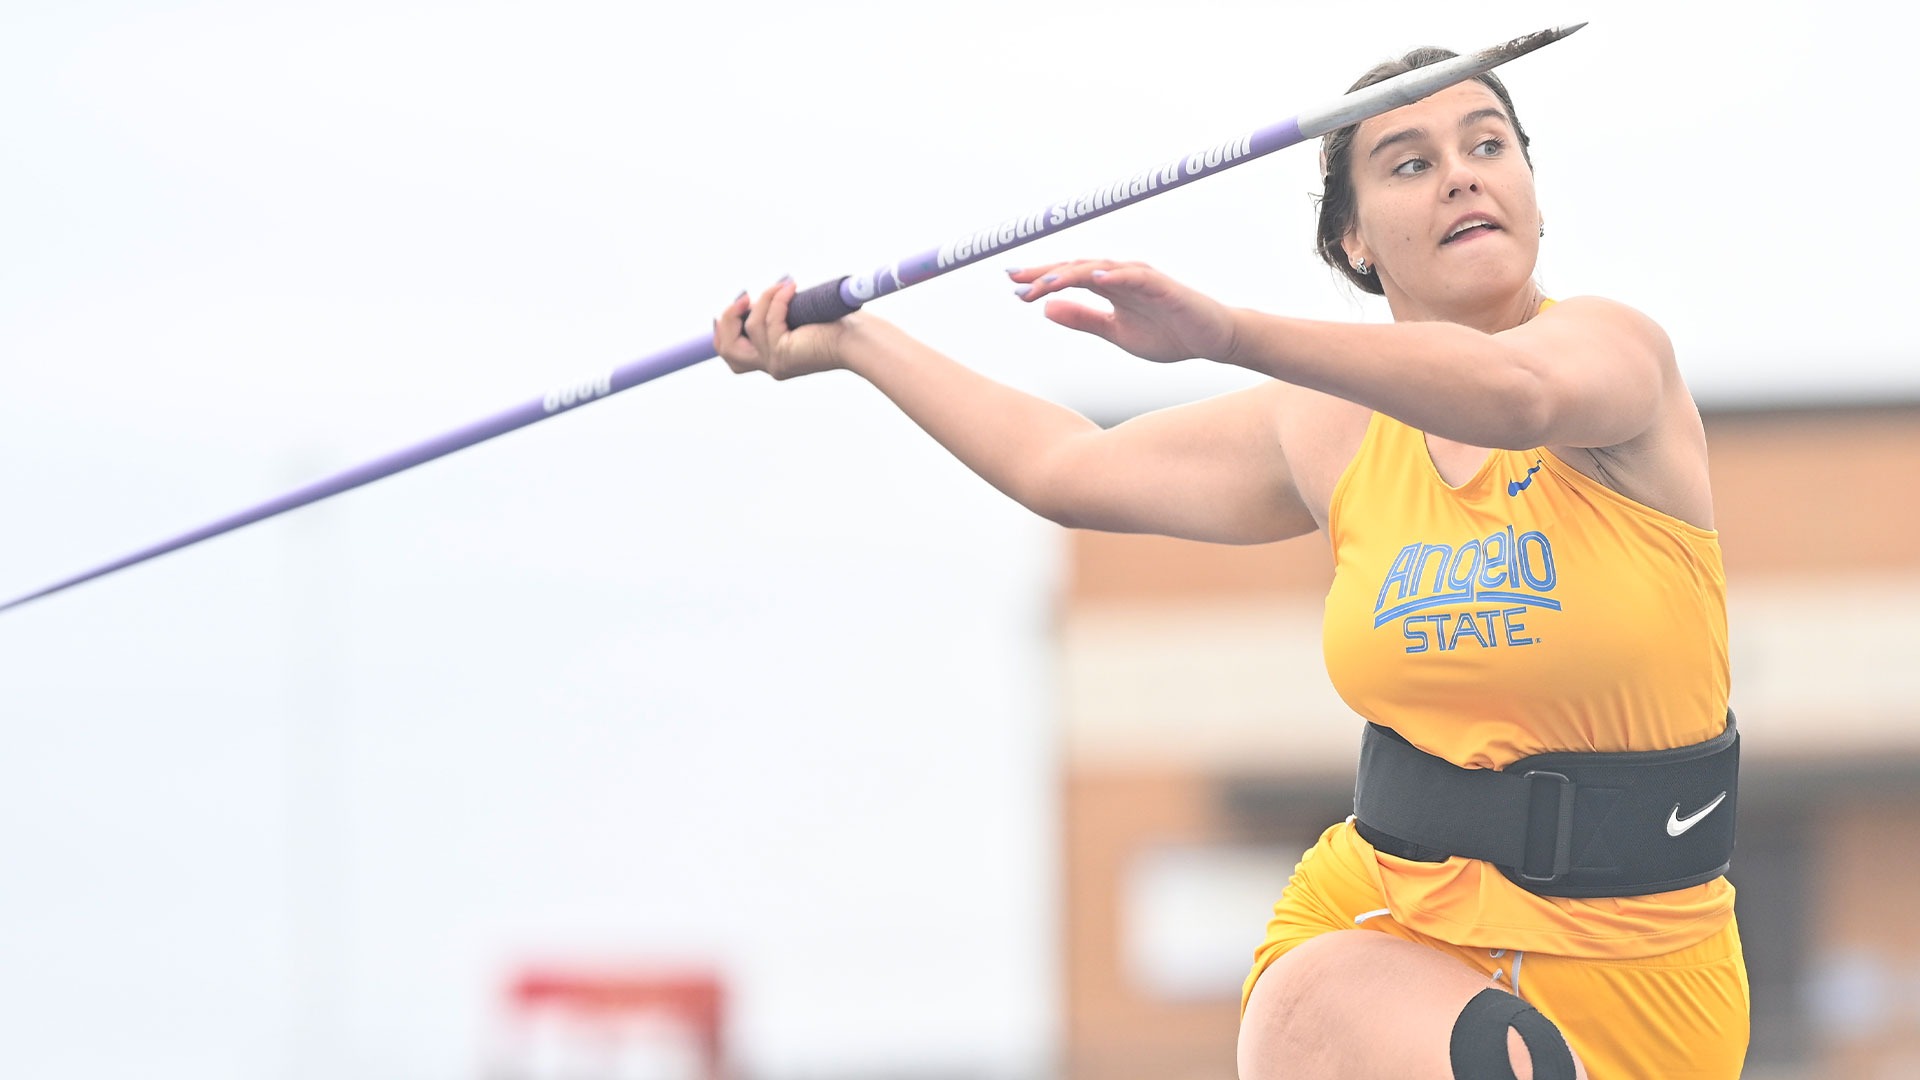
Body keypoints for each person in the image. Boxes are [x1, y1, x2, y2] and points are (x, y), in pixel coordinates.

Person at [713, 47, 1746, 1080]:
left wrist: (1228, 333)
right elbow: (1068, 467)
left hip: (1644, 963)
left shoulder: (1617, 358)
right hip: (1389, 928)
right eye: (1409, 162)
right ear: (1353, 238)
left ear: (1530, 184)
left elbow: (1515, 394)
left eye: (1487, 145)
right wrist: (856, 344)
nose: (1463, 174)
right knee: (1318, 1000)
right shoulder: (1333, 429)